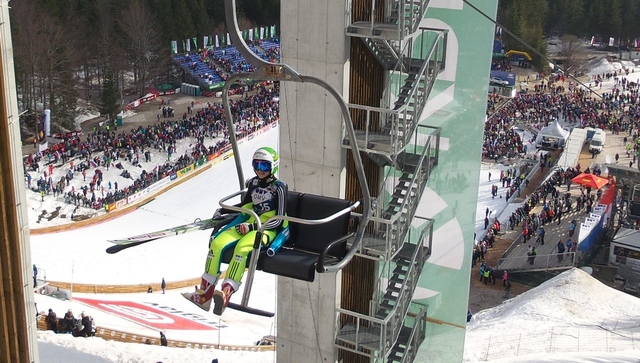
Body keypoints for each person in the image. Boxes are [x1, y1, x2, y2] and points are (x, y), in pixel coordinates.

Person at [183, 147, 288, 315]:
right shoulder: (253, 183)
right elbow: (244, 206)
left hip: (266, 229)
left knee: (242, 249)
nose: (260, 170)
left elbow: (280, 219)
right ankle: (205, 293)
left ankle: (226, 292)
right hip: (247, 222)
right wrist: (224, 211)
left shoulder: (279, 188)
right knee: (217, 243)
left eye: (264, 167)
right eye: (257, 165)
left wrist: (254, 227)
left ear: (273, 167)